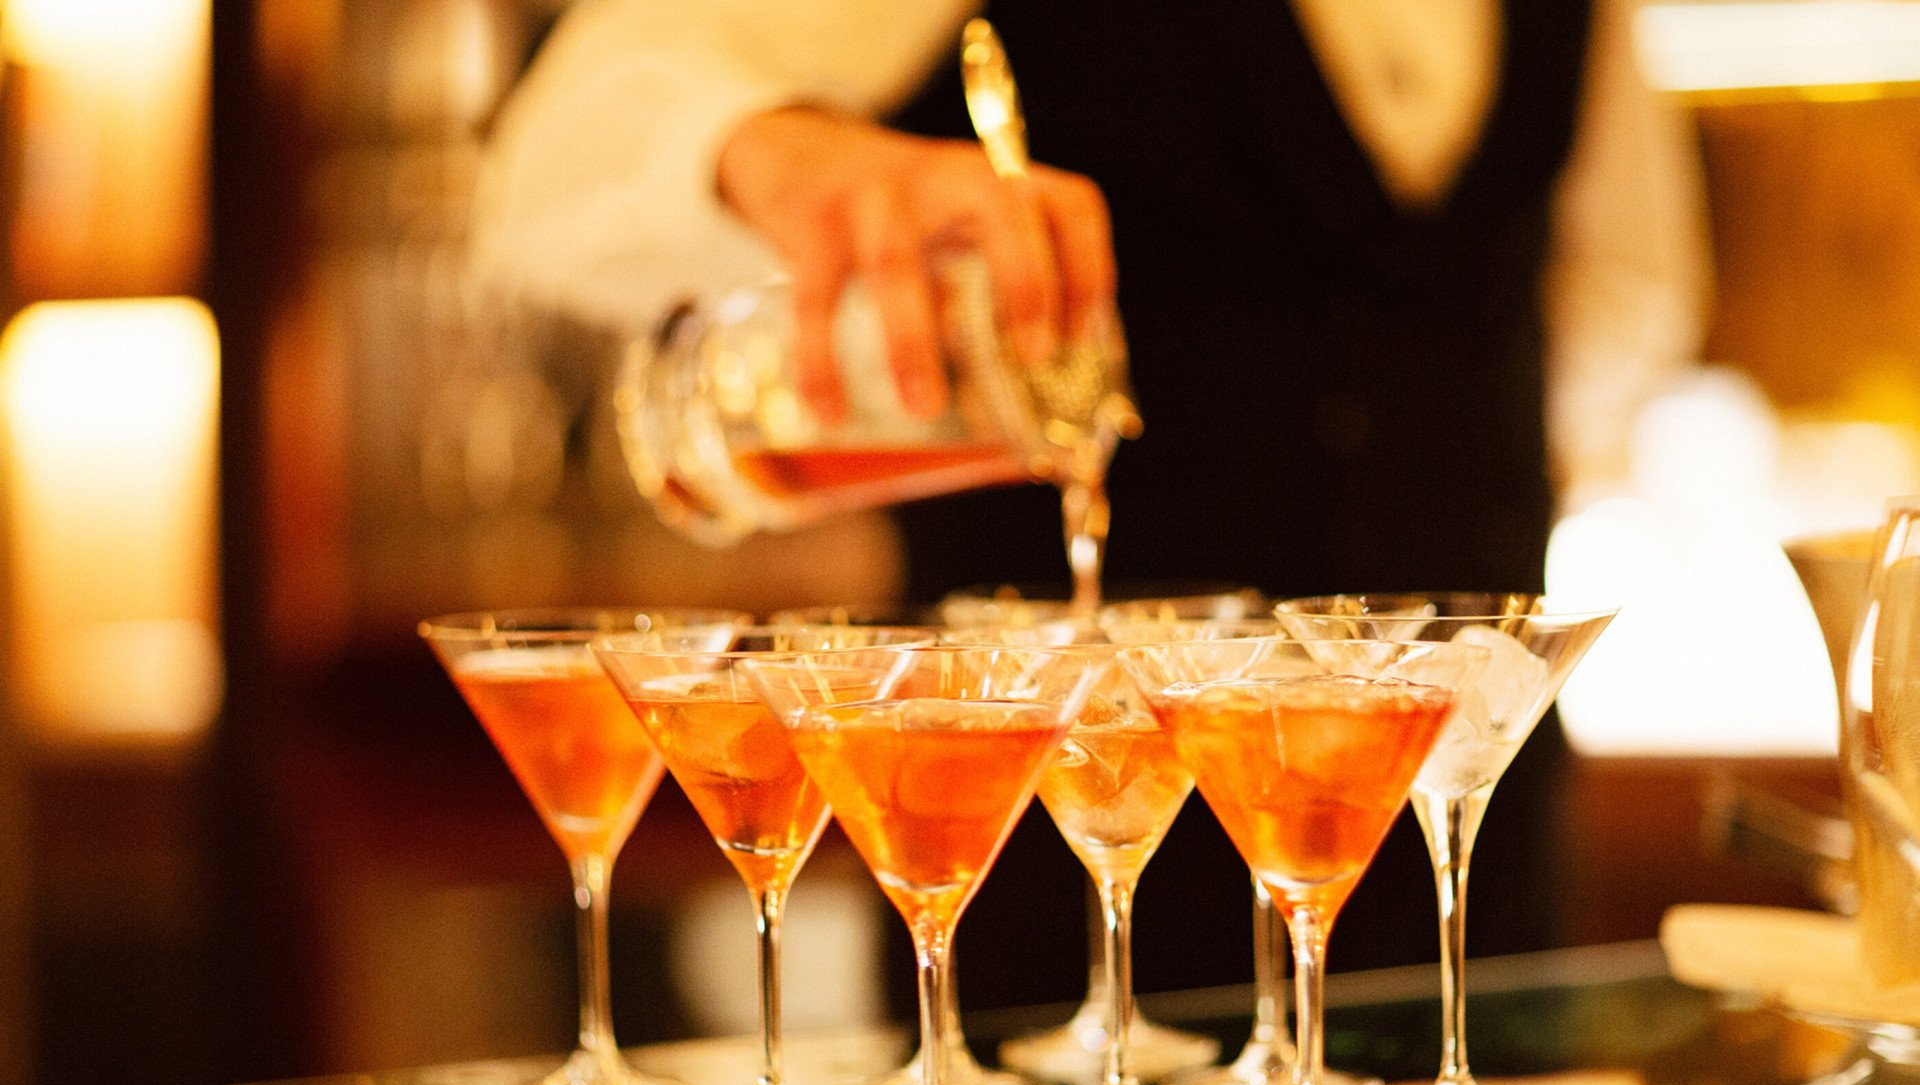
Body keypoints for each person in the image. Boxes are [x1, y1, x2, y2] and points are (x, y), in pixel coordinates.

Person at [468, 0, 1710, 997]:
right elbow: (552, 154)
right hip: (1057, 854)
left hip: (1478, 823)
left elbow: (1631, 294)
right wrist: (778, 148)